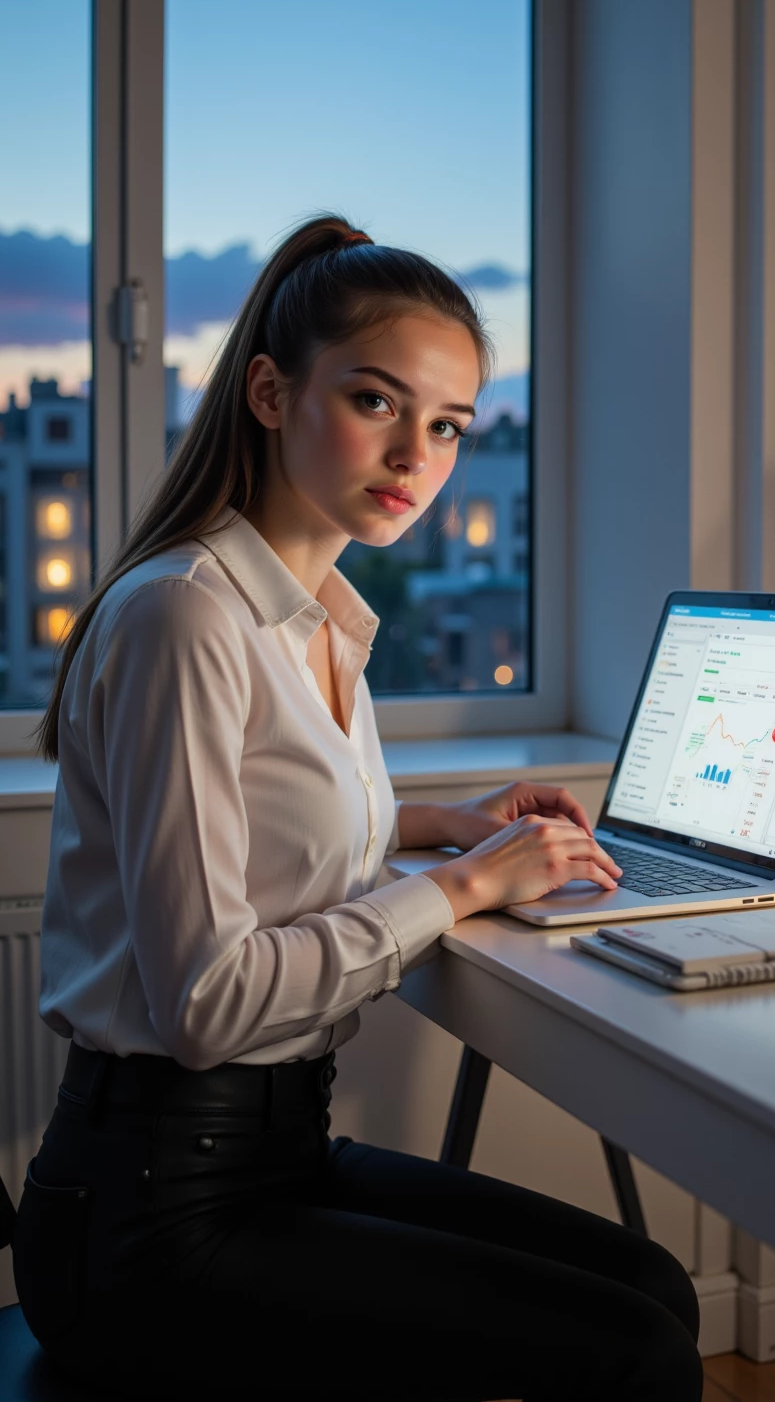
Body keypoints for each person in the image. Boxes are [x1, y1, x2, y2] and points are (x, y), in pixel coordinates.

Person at [13, 216, 703, 1401]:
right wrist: (467, 887)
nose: (415, 459)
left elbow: (267, 831)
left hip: (275, 1152)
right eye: (377, 402)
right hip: (149, 1219)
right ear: (272, 393)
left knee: (657, 1288)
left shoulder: (320, 617)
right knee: (632, 1348)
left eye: (445, 427)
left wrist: (445, 823)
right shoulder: (186, 615)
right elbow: (207, 1005)